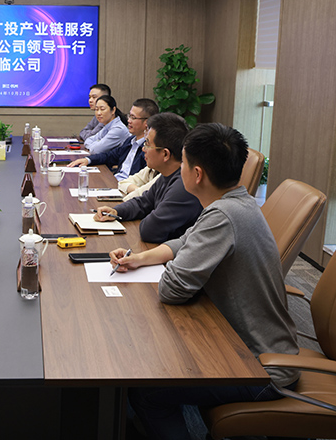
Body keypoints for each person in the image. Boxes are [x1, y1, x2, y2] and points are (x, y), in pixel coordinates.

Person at [108, 124, 299, 440]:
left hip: (260, 369)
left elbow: (172, 289)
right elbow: (184, 241)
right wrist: (139, 259)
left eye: (182, 163)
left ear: (197, 174)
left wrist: (179, 267)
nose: (179, 170)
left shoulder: (222, 216)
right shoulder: (236, 202)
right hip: (250, 347)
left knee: (147, 392)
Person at [95, 113, 201, 243]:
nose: (143, 149)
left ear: (165, 154)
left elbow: (150, 230)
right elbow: (142, 202)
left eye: (147, 144)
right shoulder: (167, 174)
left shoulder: (184, 186)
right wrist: (116, 211)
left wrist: (150, 214)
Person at [70, 98, 158, 180]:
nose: (129, 120)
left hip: (127, 187)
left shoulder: (149, 149)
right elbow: (110, 156)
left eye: (133, 117)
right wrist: (88, 160)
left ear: (147, 122)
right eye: (129, 116)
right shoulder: (130, 141)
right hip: (116, 181)